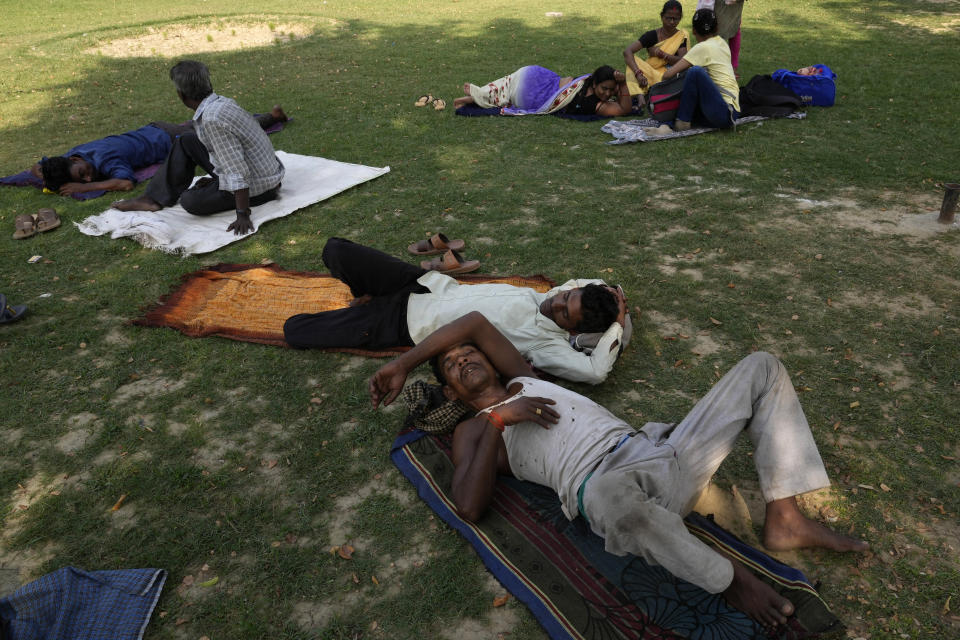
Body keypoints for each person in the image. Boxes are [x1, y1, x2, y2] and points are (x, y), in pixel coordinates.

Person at [368, 314, 869, 629]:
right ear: (452, 394)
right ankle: (730, 581)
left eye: (468, 353)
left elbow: (473, 321)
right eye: (452, 366)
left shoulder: (525, 376)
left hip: (663, 454)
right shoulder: (475, 430)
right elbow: (469, 506)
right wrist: (500, 419)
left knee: (761, 365)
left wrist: (407, 362)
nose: (463, 359)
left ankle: (785, 517)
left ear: (493, 362)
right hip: (606, 489)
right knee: (608, 493)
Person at [283, 237, 628, 385]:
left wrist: (617, 323)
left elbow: (595, 372)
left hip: (403, 324)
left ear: (571, 330)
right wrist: (614, 297)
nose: (557, 302)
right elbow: (590, 283)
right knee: (336, 250)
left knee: (295, 329)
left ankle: (367, 307)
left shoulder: (546, 344)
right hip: (421, 283)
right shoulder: (553, 295)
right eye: (568, 296)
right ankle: (367, 292)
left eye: (566, 312)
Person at [113, 60, 285, 236]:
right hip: (265, 173)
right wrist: (217, 179)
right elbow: (231, 151)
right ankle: (153, 199)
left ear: (181, 95)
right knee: (186, 140)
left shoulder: (212, 120)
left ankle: (240, 198)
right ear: (208, 84)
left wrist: (242, 213)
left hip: (260, 188)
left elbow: (237, 170)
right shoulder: (221, 102)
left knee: (189, 200)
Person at [34, 106, 287, 197]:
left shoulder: (108, 160)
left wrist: (84, 188)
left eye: (84, 173)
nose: (89, 177)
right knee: (207, 123)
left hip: (169, 137)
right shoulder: (74, 154)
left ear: (76, 160)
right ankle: (263, 116)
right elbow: (39, 166)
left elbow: (125, 184)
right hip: (155, 129)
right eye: (83, 179)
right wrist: (47, 177)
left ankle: (269, 118)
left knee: (218, 131)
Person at [657, 8, 740, 130]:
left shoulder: (702, 48)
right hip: (728, 112)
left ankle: (682, 121)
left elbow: (667, 75)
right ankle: (668, 125)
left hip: (724, 112)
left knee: (695, 71)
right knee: (692, 77)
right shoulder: (722, 43)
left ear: (694, 30)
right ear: (716, 28)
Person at [452, 65, 634, 117]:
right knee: (507, 97)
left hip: (536, 74)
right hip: (535, 92)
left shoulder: (583, 81)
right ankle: (475, 97)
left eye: (612, 90)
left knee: (504, 90)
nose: (608, 94)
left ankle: (475, 96)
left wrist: (621, 86)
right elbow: (624, 109)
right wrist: (624, 84)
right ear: (594, 84)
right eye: (605, 88)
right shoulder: (596, 104)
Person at [622, 1, 688, 96]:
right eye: (668, 18)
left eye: (675, 19)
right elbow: (628, 51)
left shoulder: (681, 36)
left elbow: (683, 62)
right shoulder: (652, 35)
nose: (672, 22)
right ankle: (641, 94)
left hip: (668, 77)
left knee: (631, 70)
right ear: (662, 16)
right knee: (632, 62)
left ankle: (639, 94)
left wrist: (660, 54)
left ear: (680, 19)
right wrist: (638, 74)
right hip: (649, 73)